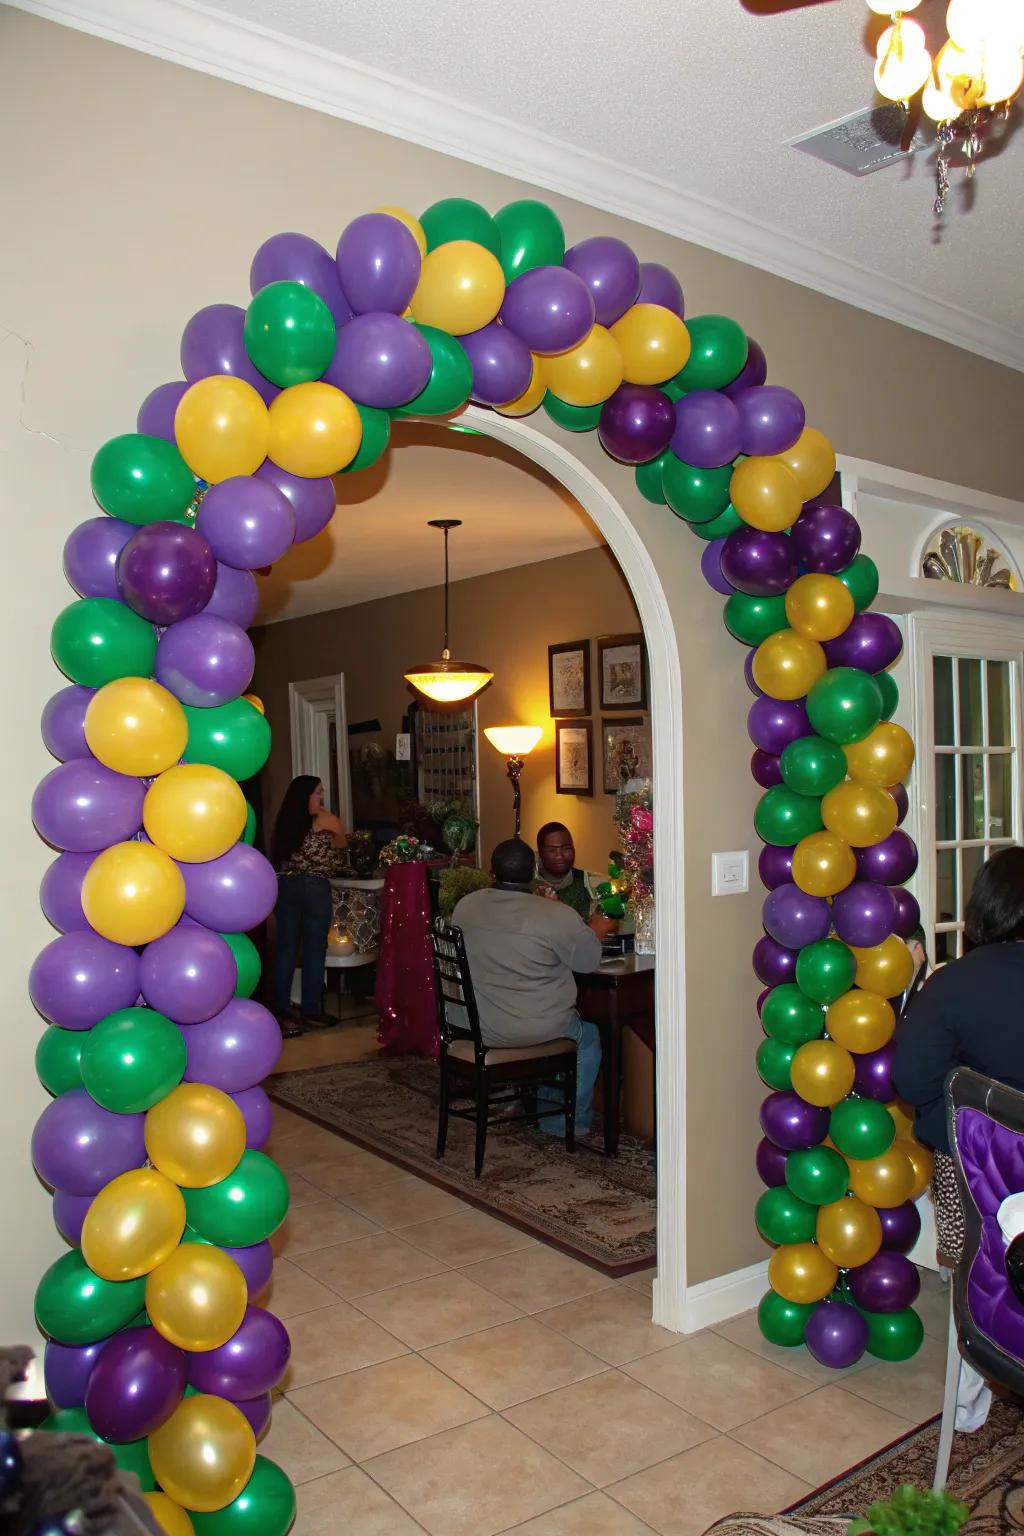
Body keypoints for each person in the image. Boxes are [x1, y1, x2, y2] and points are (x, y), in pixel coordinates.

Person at [894, 847, 1024, 1432]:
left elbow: (913, 1081)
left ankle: (969, 1399)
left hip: (978, 1195)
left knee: (976, 1263)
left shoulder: (951, 987)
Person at [453, 838, 610, 1137]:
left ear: (491, 871)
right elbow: (588, 960)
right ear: (535, 869)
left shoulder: (466, 906)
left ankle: (534, 1106)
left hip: (472, 1026)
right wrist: (597, 928)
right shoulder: (552, 914)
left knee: (548, 1019)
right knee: (586, 1036)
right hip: (530, 1030)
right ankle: (561, 1123)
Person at [270, 775, 347, 1036]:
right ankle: (311, 1010)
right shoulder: (324, 823)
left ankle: (281, 1009)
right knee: (315, 949)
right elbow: (338, 852)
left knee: (286, 949)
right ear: (306, 796)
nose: (321, 798)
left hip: (285, 888)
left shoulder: (283, 825)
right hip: (314, 888)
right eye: (318, 793)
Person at [534, 822, 593, 920]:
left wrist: (559, 907)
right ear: (540, 853)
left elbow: (594, 932)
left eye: (566, 848)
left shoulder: (589, 885)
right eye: (552, 850)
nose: (559, 856)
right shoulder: (527, 886)